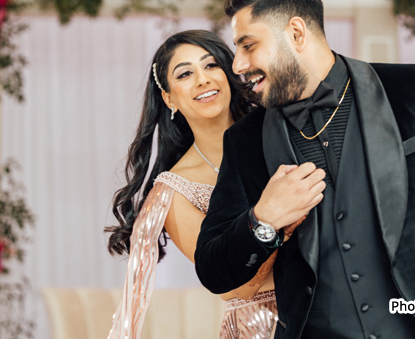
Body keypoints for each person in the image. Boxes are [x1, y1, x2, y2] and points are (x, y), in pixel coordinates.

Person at [194, 0, 415, 339]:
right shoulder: (246, 141)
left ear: (296, 33)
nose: (237, 65)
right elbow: (212, 269)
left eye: (248, 45)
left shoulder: (410, 90)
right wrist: (263, 218)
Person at [106, 30, 297, 339]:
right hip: (260, 328)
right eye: (185, 74)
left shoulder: (281, 128)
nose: (203, 80)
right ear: (169, 98)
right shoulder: (173, 191)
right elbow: (237, 286)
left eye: (210, 66)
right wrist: (280, 221)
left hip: (332, 307)